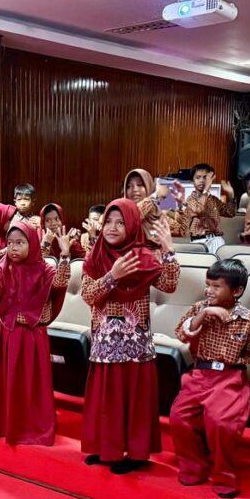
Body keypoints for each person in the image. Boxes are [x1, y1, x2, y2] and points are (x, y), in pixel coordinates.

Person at [81, 199, 179, 473]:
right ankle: (106, 448)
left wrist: (169, 249)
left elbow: (169, 285)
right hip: (104, 343)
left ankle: (135, 454)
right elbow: (89, 296)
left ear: (133, 224)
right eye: (108, 221)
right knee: (106, 401)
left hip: (135, 344)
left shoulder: (143, 256)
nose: (112, 227)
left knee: (134, 399)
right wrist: (112, 276)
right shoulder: (96, 255)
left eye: (120, 222)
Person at [170, 259, 250, 498]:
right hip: (199, 374)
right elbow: (181, 333)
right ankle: (193, 467)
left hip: (229, 377)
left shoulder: (247, 318)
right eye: (208, 284)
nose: (209, 290)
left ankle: (224, 474)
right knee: (179, 417)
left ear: (236, 291)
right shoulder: (200, 308)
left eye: (217, 286)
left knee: (221, 424)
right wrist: (204, 314)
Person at [0, 220, 72, 446]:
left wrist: (64, 255)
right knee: (9, 380)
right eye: (10, 243)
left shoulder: (44, 269)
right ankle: (7, 425)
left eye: (20, 243)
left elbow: (60, 284)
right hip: (9, 334)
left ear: (31, 243)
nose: (14, 248)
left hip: (33, 335)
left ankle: (33, 427)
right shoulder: (4, 267)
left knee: (33, 383)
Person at [181, 163, 236, 254]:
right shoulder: (190, 200)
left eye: (205, 178)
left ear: (211, 180)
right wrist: (206, 189)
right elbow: (199, 209)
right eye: (198, 178)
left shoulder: (214, 200)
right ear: (192, 181)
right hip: (198, 242)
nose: (202, 181)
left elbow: (231, 213)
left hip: (216, 239)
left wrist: (231, 195)